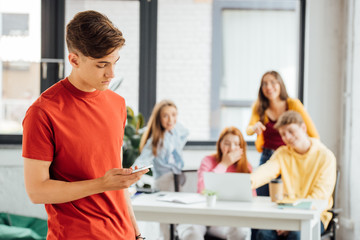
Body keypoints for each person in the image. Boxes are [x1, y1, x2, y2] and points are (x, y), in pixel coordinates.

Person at [22, 10, 148, 240]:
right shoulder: (43, 112)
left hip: (123, 234)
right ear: (74, 60)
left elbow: (116, 183)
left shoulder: (117, 104)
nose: (111, 74)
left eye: (114, 62)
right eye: (102, 65)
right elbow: (36, 190)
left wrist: (137, 234)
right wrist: (102, 184)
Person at [251, 111, 336, 240]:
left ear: (303, 128)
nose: (288, 137)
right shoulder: (282, 153)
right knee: (263, 234)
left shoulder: (326, 157)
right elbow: (265, 172)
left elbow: (319, 197)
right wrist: (247, 181)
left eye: (291, 131)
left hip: (315, 215)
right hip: (286, 214)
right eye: (283, 134)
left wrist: (293, 223)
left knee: (297, 235)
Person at [246, 70, 319, 197]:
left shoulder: (293, 104)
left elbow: (313, 133)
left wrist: (311, 153)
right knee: (263, 194)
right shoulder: (259, 107)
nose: (268, 87)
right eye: (264, 84)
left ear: (280, 84)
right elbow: (249, 129)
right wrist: (254, 128)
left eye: (273, 82)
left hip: (289, 156)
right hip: (268, 156)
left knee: (287, 195)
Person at [177, 126, 252, 240]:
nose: (231, 148)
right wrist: (224, 164)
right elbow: (203, 189)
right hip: (201, 216)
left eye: (236, 144)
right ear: (220, 144)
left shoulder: (245, 167)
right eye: (227, 143)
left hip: (226, 220)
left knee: (240, 231)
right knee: (190, 233)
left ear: (241, 148)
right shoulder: (207, 161)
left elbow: (252, 197)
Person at [133, 99, 189, 240]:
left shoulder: (176, 133)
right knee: (166, 225)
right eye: (165, 116)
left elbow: (185, 132)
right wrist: (131, 174)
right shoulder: (156, 139)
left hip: (178, 180)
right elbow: (142, 161)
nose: (171, 119)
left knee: (180, 222)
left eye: (174, 115)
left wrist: (172, 123)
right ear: (159, 118)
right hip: (164, 182)